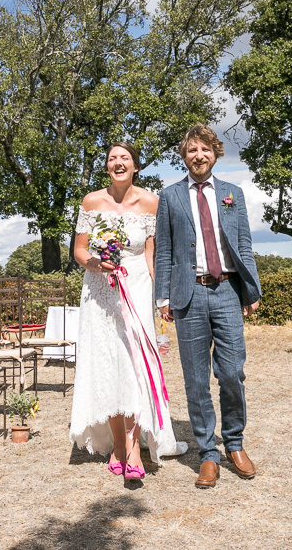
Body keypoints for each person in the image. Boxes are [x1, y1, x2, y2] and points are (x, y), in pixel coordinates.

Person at [70, 142, 186, 481]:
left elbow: (152, 255)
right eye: (111, 159)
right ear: (106, 166)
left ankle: (136, 448)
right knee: (108, 366)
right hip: (99, 291)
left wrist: (163, 299)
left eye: (125, 158)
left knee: (134, 368)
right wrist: (95, 263)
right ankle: (118, 446)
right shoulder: (91, 201)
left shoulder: (151, 202)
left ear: (135, 165)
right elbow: (79, 250)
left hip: (135, 289)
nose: (118, 163)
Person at [154, 124, 262, 489]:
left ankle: (234, 443)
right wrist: (164, 297)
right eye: (191, 151)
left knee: (232, 373)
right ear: (184, 157)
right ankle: (207, 454)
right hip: (189, 295)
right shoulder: (170, 197)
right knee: (196, 379)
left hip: (228, 290)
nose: (198, 156)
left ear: (215, 153)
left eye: (205, 150)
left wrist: (251, 289)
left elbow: (244, 245)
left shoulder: (233, 194)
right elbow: (165, 250)